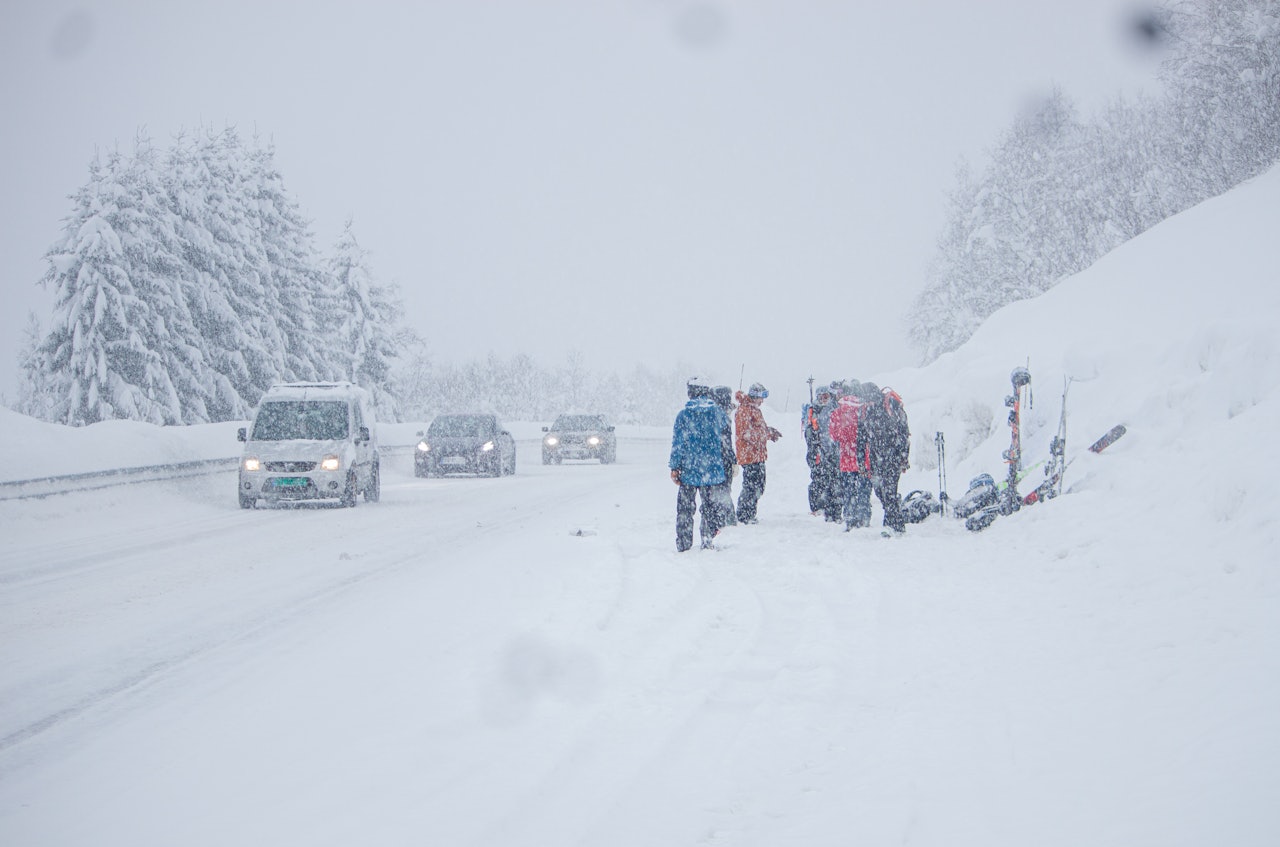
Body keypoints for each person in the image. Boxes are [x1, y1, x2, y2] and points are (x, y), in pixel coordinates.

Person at [670, 378, 735, 551]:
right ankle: (707, 539)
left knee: (685, 509)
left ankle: (684, 544)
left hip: (688, 470)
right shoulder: (718, 413)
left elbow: (677, 444)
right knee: (709, 507)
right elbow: (725, 441)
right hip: (712, 471)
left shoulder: (683, 415)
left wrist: (675, 467)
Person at [856, 382, 911, 535]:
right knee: (880, 491)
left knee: (890, 491)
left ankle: (891, 525)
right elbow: (861, 438)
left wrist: (903, 456)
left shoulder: (891, 406)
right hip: (875, 458)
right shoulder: (866, 411)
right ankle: (897, 523)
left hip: (892, 457)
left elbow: (903, 433)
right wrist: (861, 460)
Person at [734, 382, 782, 524]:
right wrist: (766, 434)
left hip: (757, 454)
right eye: (761, 397)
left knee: (759, 485)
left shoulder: (754, 409)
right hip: (749, 455)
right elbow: (746, 434)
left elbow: (758, 429)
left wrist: (770, 432)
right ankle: (744, 515)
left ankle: (750, 513)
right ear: (755, 396)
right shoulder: (744, 410)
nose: (763, 401)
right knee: (751, 486)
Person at [828, 380, 873, 530]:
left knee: (848, 492)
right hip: (864, 460)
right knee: (864, 492)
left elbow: (834, 436)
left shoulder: (837, 412)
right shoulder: (864, 410)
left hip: (846, 460)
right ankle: (864, 518)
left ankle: (850, 518)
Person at [802, 384, 832, 515]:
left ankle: (825, 504)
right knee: (818, 478)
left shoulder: (830, 410)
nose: (824, 400)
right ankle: (816, 506)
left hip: (827, 449)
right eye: (822, 397)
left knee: (828, 478)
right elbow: (809, 431)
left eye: (826, 396)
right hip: (817, 450)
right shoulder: (814, 411)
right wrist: (815, 446)